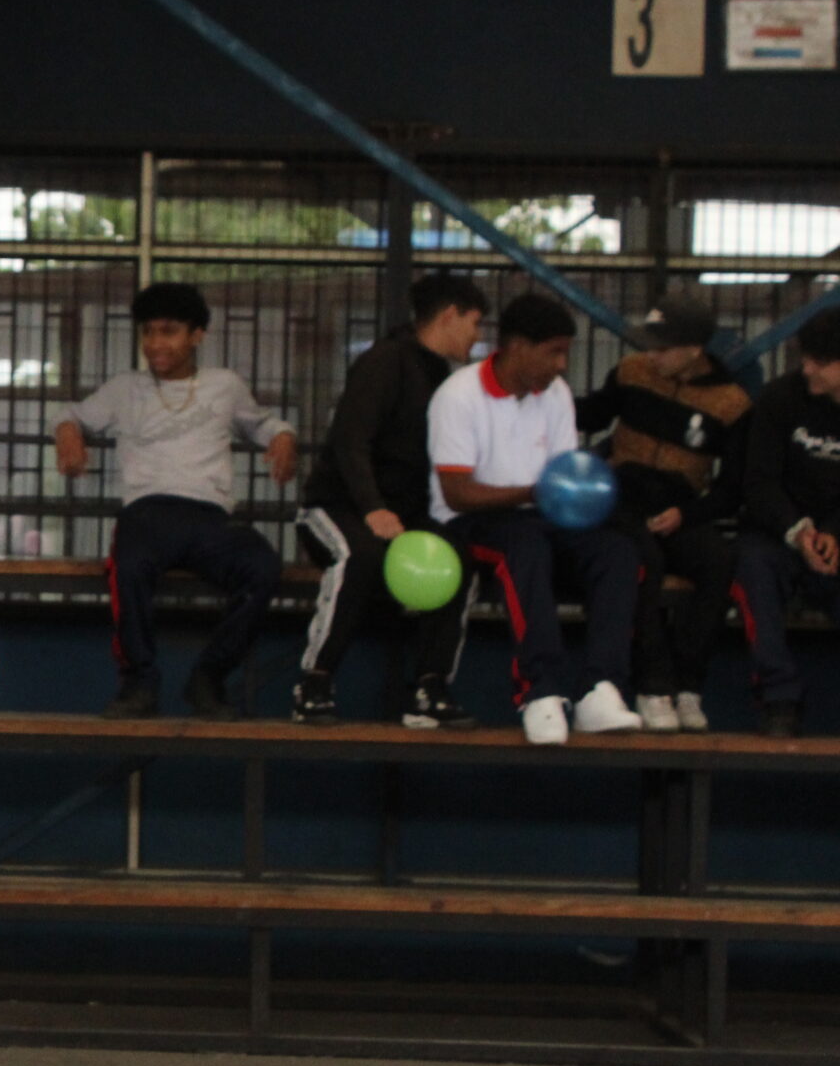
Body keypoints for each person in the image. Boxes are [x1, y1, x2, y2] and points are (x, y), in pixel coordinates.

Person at [55, 282, 298, 719]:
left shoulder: (224, 385)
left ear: (197, 335)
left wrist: (283, 437)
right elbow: (71, 414)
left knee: (262, 567)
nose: (155, 343)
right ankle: (139, 682)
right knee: (128, 567)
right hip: (147, 512)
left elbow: (261, 424)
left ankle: (209, 677)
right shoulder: (124, 387)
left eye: (168, 332)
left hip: (210, 519)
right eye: (148, 332)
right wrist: (68, 434)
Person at [429, 293, 643, 746]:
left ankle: (601, 689)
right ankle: (540, 691)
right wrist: (532, 494)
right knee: (524, 547)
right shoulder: (458, 396)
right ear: (516, 347)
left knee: (617, 552)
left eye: (565, 353)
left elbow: (561, 477)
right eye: (554, 352)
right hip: (471, 521)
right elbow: (456, 493)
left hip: (541, 516)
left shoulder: (556, 394)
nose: (562, 365)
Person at [292, 273, 489, 729]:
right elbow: (351, 440)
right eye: (475, 323)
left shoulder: (444, 377)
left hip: (404, 516)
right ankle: (314, 683)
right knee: (358, 555)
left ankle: (431, 686)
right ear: (450, 315)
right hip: (337, 507)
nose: (477, 336)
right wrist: (372, 507)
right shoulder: (385, 361)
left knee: (459, 560)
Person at [575, 289, 750, 733]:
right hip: (621, 500)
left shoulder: (731, 403)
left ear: (694, 350)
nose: (652, 355)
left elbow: (731, 489)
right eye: (649, 345)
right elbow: (591, 415)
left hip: (679, 510)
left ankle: (688, 685)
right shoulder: (631, 372)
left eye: (663, 347)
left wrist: (686, 516)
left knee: (719, 560)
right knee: (643, 561)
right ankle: (653, 686)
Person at [732, 306, 840, 738]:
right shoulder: (780, 398)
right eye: (805, 358)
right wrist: (799, 532)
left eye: (821, 361)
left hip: (833, 537)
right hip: (777, 533)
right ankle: (779, 697)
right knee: (753, 568)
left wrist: (834, 535)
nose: (807, 368)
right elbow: (758, 482)